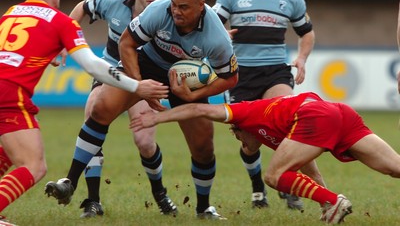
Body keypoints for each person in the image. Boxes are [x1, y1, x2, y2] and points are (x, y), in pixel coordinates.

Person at [45, 0, 239, 220]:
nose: (176, 11)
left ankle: (203, 208)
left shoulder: (216, 37)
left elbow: (230, 78)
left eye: (184, 7)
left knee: (203, 145)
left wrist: (195, 94)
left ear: (201, 5)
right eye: (174, 5)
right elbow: (127, 43)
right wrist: (138, 86)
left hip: (184, 81)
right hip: (145, 64)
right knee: (101, 108)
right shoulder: (159, 9)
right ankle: (70, 181)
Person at [0, 0, 168, 221]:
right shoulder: (60, 21)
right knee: (34, 165)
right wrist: (137, 86)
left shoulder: (10, 14)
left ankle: (158, 194)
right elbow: (93, 66)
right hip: (9, 95)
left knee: (9, 151)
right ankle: (91, 197)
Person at [131, 89, 400, 224]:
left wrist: (159, 116)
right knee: (393, 167)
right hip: (339, 113)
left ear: (239, 129)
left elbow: (199, 110)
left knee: (273, 176)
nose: (240, 141)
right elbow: (311, 171)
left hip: (315, 114)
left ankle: (335, 201)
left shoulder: (245, 114)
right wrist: (323, 201)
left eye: (237, 136)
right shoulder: (284, 139)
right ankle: (331, 204)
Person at [212, 0, 315, 210]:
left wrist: (302, 59)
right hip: (240, 74)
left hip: (275, 72)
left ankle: (289, 184)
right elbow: (211, 24)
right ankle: (258, 188)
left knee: (290, 122)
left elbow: (307, 33)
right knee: (250, 142)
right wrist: (221, 34)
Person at [62, 0, 169, 218]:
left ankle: (160, 194)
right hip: (110, 74)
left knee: (144, 142)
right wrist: (65, 40)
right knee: (92, 118)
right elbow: (81, 8)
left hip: (144, 80)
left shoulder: (170, 11)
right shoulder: (114, 2)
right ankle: (93, 201)